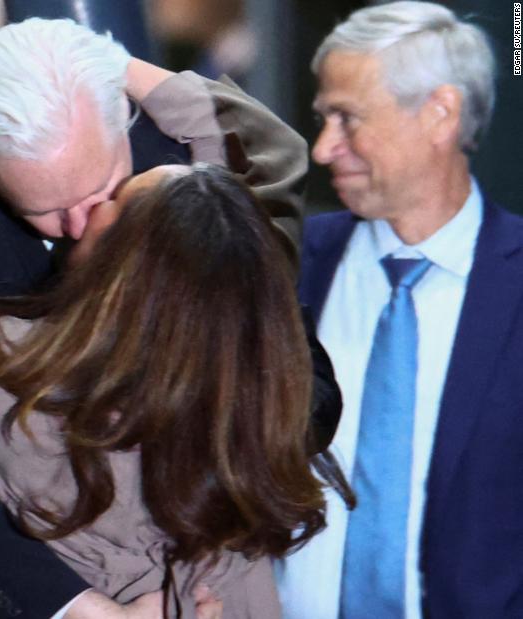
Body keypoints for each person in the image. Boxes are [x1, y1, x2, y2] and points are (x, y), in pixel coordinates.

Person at [0, 18, 341, 619]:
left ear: (123, 122)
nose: (84, 225)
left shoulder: (7, 359)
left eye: (107, 194)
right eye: (49, 211)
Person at [272, 3, 523, 617]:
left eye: (346, 117)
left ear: (439, 114)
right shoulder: (284, 266)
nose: (325, 148)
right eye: (322, 118)